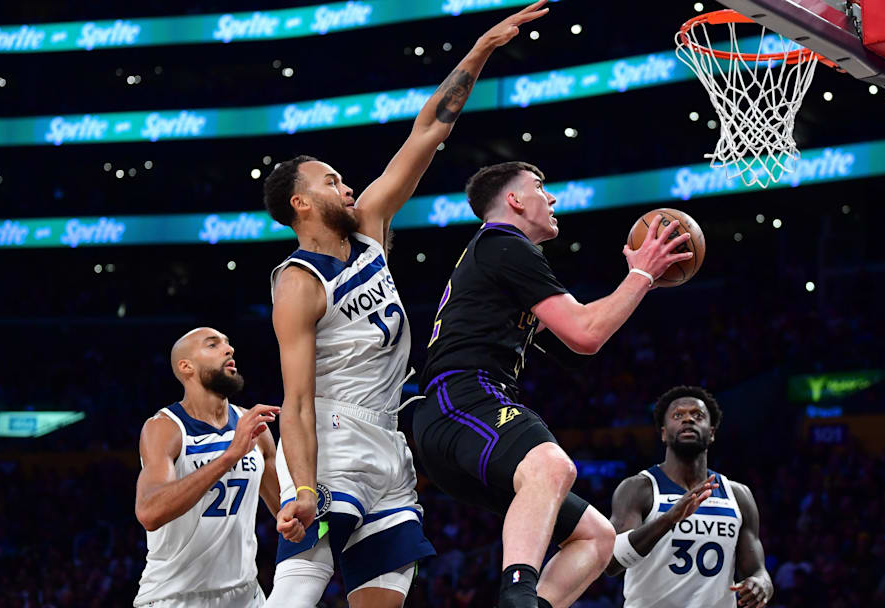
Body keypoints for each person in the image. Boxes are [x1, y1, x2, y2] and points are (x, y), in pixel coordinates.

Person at [261, 4, 552, 606]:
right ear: (300, 205)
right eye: (329, 181)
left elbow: (428, 132)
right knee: (298, 587)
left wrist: (481, 49)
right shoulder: (297, 280)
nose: (345, 186)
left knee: (385, 598)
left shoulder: (369, 228)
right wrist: (305, 486)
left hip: (391, 442)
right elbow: (295, 400)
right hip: (332, 438)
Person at [414, 161, 695, 608]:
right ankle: (517, 597)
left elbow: (578, 342)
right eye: (541, 187)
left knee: (597, 538)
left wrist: (639, 286)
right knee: (552, 466)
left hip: (457, 419)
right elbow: (586, 332)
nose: (552, 198)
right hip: (462, 399)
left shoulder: (496, 257)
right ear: (514, 200)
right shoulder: (504, 243)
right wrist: (640, 274)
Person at [134, 327, 281, 608]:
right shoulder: (165, 428)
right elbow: (150, 512)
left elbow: (285, 511)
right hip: (176, 597)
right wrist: (229, 457)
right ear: (186, 366)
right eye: (213, 345)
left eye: (228, 343)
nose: (229, 349)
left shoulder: (254, 427)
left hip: (245, 594)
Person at [605, 386, 773, 608]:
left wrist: (761, 584)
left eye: (698, 415)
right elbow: (612, 562)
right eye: (678, 415)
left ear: (711, 432)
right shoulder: (639, 488)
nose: (688, 420)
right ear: (664, 433)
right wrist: (668, 519)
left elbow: (758, 571)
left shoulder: (738, 495)